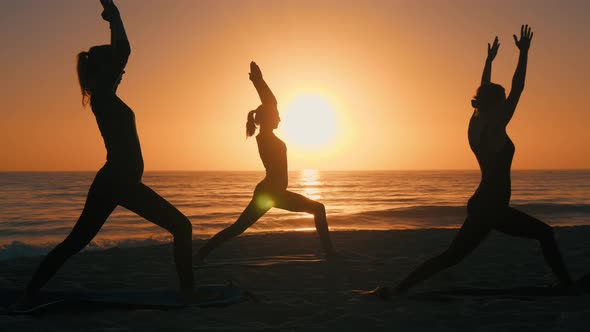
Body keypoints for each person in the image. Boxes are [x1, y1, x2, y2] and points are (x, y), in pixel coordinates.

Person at [16, 0, 197, 306]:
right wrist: (113, 12)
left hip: (118, 182)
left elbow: (121, 54)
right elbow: (124, 50)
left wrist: (113, 18)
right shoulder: (101, 96)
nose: (121, 71)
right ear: (104, 70)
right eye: (114, 66)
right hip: (118, 181)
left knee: (76, 242)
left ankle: (29, 292)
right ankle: (189, 293)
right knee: (181, 227)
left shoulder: (106, 96)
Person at [378, 25, 572, 297]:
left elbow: (488, 91)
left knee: (452, 256)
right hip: (492, 206)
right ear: (496, 104)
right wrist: (524, 54)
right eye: (503, 101)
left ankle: (399, 289)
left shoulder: (476, 122)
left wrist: (488, 62)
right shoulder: (495, 125)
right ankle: (568, 287)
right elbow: (519, 87)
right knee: (545, 234)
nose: (507, 104)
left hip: (483, 204)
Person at [197, 62, 337, 261]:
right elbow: (270, 102)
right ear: (269, 118)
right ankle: (330, 253)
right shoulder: (265, 138)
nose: (280, 118)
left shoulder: (266, 135)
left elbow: (270, 104)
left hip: (272, 192)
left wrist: (258, 80)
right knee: (317, 209)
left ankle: (203, 252)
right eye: (277, 115)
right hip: (271, 193)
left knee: (238, 228)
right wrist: (258, 81)